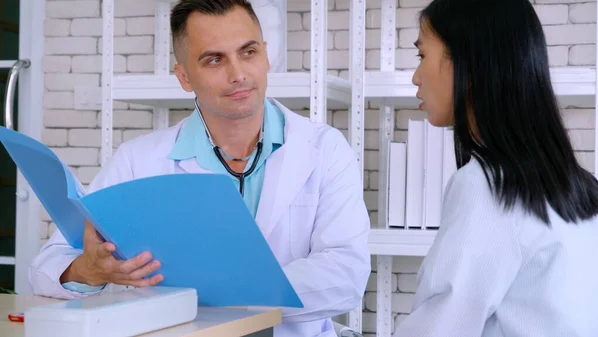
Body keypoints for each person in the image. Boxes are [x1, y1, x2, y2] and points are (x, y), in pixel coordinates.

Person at [28, 1, 371, 336]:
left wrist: (214, 289)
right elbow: (45, 268)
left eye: (248, 52)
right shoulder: (138, 160)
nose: (238, 74)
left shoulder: (325, 149)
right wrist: (89, 270)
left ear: (266, 56)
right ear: (184, 76)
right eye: (214, 60)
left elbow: (345, 276)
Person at [393, 0, 598, 336]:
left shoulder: (490, 185)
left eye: (422, 56)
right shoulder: (579, 185)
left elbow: (440, 329)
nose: (416, 77)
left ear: (469, 65)